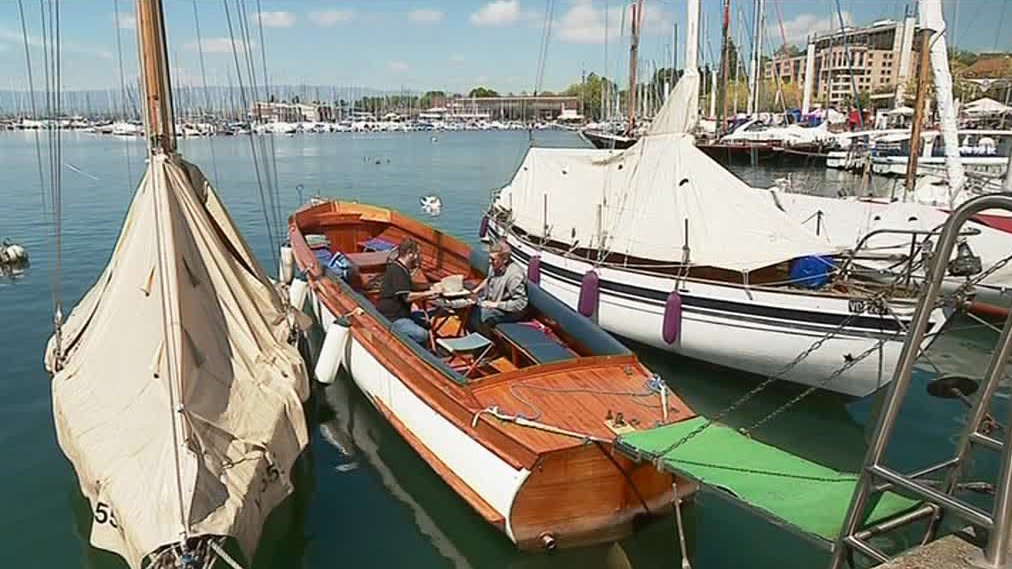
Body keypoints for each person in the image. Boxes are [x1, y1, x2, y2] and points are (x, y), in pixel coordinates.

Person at [377, 238, 439, 344]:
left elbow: (410, 286)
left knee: (431, 318)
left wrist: (431, 285)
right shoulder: (397, 271)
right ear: (410, 253)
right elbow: (407, 297)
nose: (419, 257)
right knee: (422, 334)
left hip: (403, 314)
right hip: (393, 318)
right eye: (418, 254)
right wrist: (429, 293)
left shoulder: (401, 268)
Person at [469, 239, 527, 335]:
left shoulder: (514, 276)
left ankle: (487, 340)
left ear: (504, 260)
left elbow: (520, 303)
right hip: (491, 302)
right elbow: (488, 279)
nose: (489, 261)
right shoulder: (495, 265)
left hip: (509, 312)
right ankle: (473, 333)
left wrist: (495, 304)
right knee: (469, 306)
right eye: (490, 258)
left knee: (481, 315)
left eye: (493, 259)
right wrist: (475, 291)